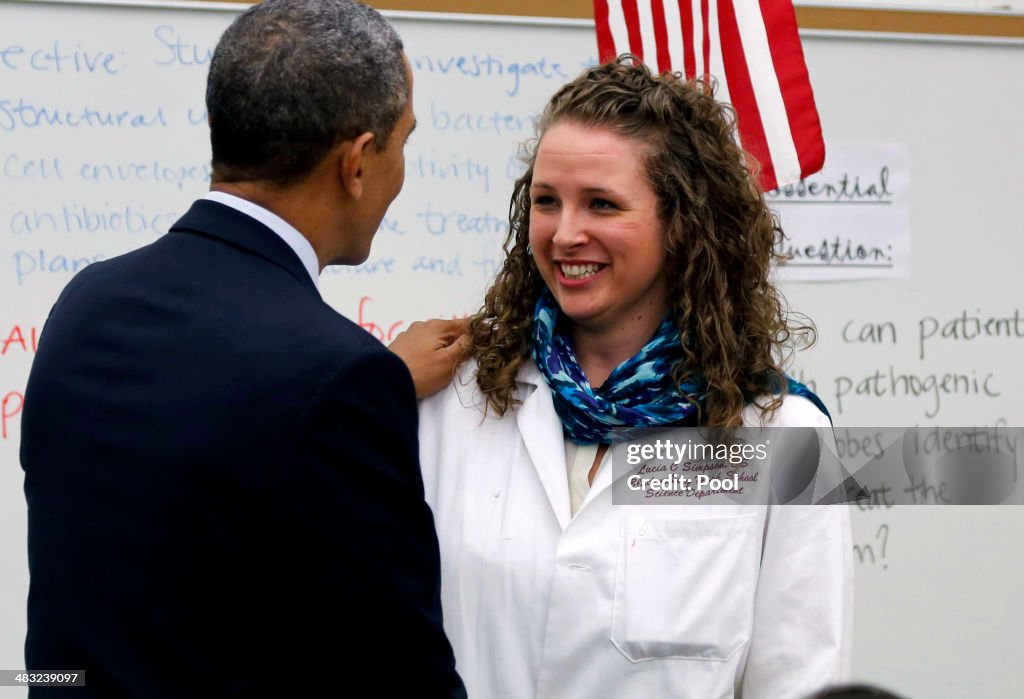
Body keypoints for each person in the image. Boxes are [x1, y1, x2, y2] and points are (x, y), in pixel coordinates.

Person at [19, 1, 465, 697]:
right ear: (355, 162)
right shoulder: (336, 378)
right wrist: (365, 390)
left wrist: (379, 385)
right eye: (403, 142)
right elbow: (399, 671)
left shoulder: (87, 303)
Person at [417, 56, 853, 698]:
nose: (565, 234)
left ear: (683, 223)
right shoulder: (458, 395)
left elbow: (802, 678)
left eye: (602, 203)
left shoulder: (781, 434)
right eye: (546, 202)